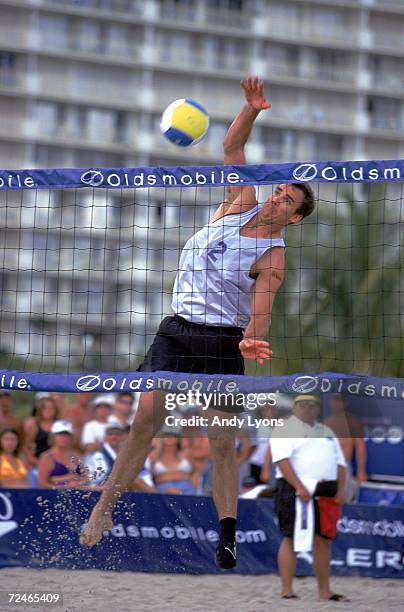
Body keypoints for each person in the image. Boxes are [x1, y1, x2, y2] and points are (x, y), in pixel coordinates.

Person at [80, 76, 316, 570]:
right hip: (176, 329)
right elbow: (233, 145)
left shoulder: (272, 256)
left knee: (221, 442)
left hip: (222, 341)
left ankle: (225, 535)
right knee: (144, 422)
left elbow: (261, 313)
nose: (278, 199)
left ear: (295, 218)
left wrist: (254, 340)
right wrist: (251, 109)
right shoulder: (238, 204)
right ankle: (102, 511)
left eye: (288, 201)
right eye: (279, 192)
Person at [270, 395, 348, 602]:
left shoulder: (327, 431)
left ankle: (325, 591)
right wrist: (299, 487)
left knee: (323, 539)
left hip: (326, 491)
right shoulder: (284, 429)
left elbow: (340, 462)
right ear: (294, 407)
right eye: (302, 404)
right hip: (294, 490)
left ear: (318, 409)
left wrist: (341, 489)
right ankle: (287, 589)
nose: (307, 408)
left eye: (312, 405)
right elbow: (282, 461)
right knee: (290, 537)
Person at [323, 393, 367, 502]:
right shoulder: (326, 422)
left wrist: (361, 471)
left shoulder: (352, 422)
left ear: (344, 404)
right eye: (335, 401)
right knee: (326, 498)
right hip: (327, 465)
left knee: (344, 498)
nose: (337, 404)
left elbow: (360, 447)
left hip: (344, 464)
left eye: (340, 402)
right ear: (330, 403)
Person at [37, 420, 86, 489]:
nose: (63, 438)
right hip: (54, 495)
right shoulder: (47, 457)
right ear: (53, 436)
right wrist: (64, 485)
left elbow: (86, 478)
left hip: (77, 493)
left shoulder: (76, 456)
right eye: (60, 434)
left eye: (67, 435)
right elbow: (42, 483)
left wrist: (79, 483)